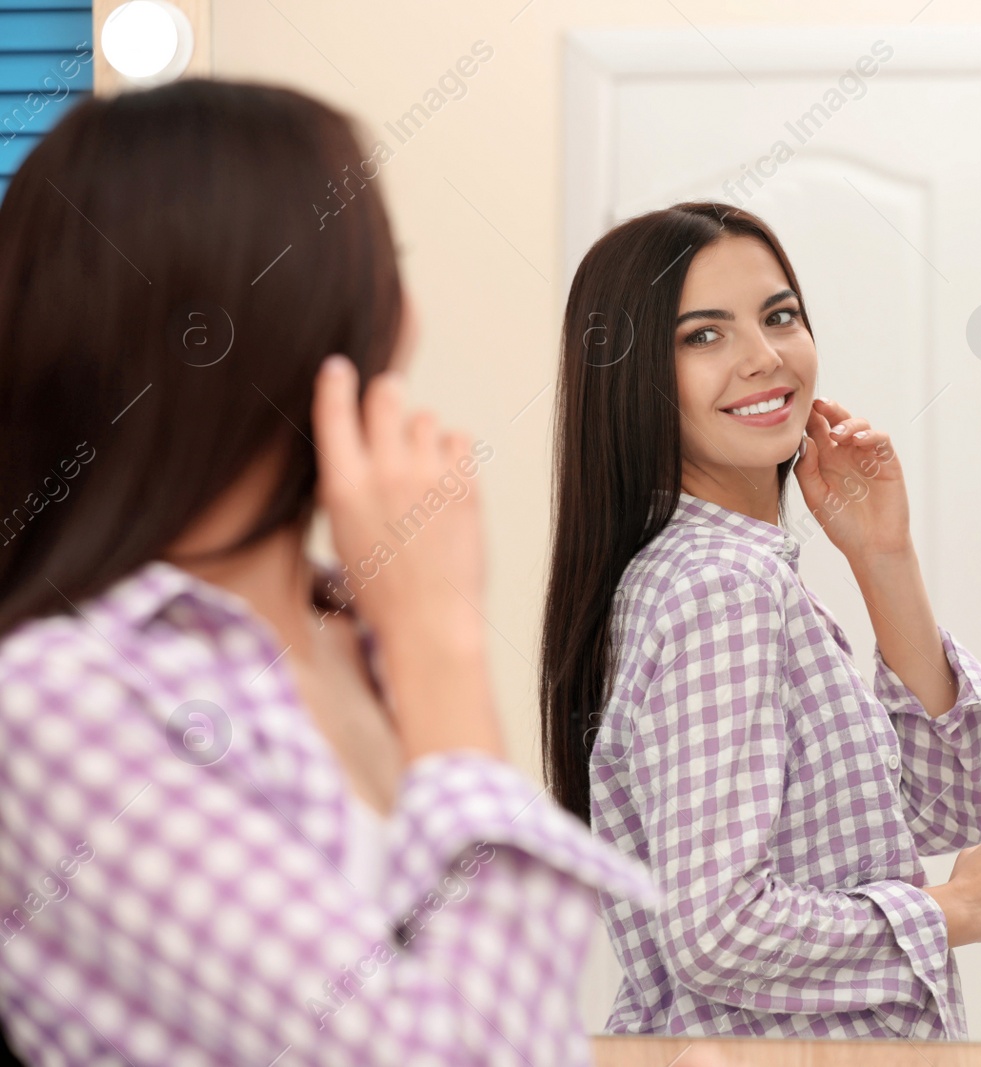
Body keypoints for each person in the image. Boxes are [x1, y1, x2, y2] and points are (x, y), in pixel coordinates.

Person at [0, 79, 654, 1065]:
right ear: (308, 319)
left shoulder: (360, 643)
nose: (407, 319)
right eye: (382, 269)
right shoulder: (57, 703)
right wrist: (443, 642)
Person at [538, 202, 981, 1040]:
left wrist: (883, 558)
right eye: (703, 336)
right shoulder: (720, 588)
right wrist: (955, 908)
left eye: (779, 316)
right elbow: (717, 933)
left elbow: (932, 813)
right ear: (631, 375)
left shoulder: (725, 574)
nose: (764, 357)